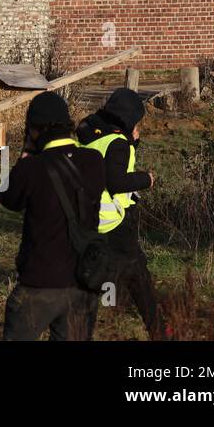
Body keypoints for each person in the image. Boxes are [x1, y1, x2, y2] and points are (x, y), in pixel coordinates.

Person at [0, 92, 105, 340]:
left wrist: (25, 155)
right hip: (83, 283)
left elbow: (9, 200)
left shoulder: (31, 169)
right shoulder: (94, 161)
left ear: (35, 130)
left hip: (39, 282)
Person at [77, 87, 162, 338]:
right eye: (137, 121)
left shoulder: (91, 131)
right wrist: (145, 179)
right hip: (112, 219)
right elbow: (115, 181)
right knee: (137, 274)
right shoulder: (117, 144)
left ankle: (90, 320)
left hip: (87, 216)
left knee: (101, 271)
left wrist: (131, 140)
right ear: (129, 119)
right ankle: (158, 329)